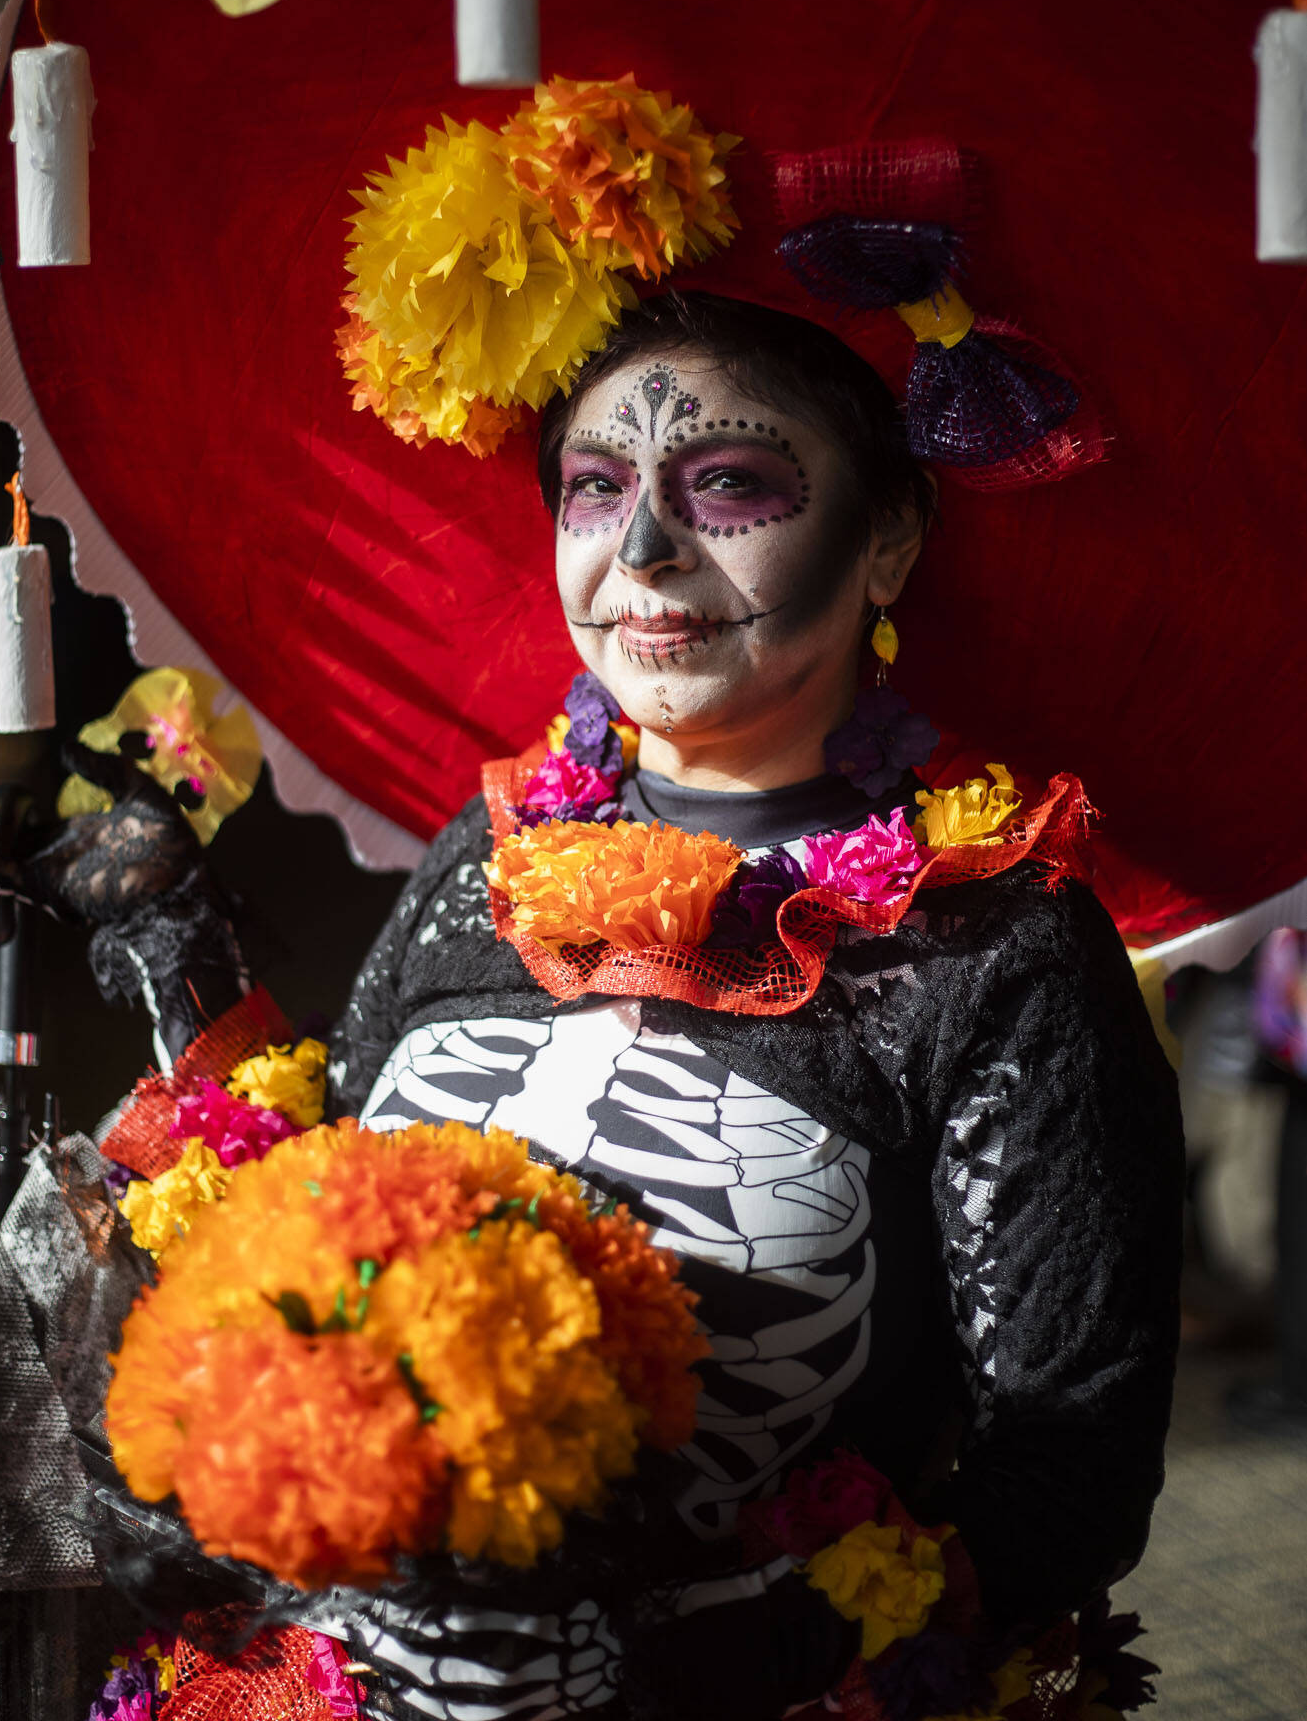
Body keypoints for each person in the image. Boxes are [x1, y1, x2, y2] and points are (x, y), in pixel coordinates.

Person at [320, 289, 1184, 1721]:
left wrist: (731, 1653)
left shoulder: (986, 946)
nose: (643, 549)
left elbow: (1069, 1469)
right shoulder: (484, 852)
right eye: (594, 489)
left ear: (888, 540)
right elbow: (308, 1208)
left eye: (725, 484)